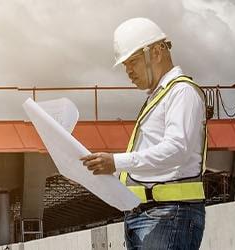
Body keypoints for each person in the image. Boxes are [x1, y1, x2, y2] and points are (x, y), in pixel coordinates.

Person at [80, 17, 208, 250]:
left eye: (134, 61)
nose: (128, 71)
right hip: (149, 213)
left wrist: (116, 162)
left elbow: (177, 150)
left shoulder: (181, 92)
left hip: (169, 214)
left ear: (157, 52)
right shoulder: (157, 98)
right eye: (125, 65)